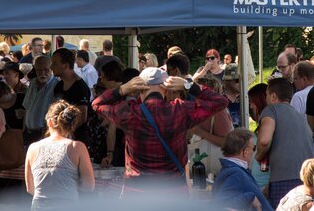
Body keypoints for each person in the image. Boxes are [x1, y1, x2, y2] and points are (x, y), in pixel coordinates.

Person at [92, 67, 228, 192]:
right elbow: (220, 102)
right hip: (173, 191)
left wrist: (122, 89)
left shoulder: (129, 112)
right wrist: (189, 85)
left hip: (137, 191)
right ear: (166, 89)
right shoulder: (180, 110)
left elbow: (97, 103)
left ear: (140, 89)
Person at [25, 100, 95, 209]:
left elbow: (30, 188)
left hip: (39, 205)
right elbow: (88, 186)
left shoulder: (32, 148)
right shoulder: (76, 147)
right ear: (72, 124)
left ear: (49, 122)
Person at [256, 78, 314, 209]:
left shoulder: (271, 110)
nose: (265, 99)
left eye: (266, 95)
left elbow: (264, 140)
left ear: (273, 96)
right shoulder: (299, 115)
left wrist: (258, 155)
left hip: (284, 179)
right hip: (307, 178)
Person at [213, 128, 273, 211]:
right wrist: (250, 197)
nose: (253, 152)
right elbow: (220, 204)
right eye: (254, 148)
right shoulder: (235, 173)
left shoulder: (232, 170)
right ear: (245, 152)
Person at [189, 76, 233, 176]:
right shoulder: (193, 109)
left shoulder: (219, 112)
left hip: (214, 171)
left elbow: (226, 142)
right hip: (203, 167)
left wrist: (199, 132)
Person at [52, 48, 91, 146]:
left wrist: (64, 134)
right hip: (60, 140)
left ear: (65, 65)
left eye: (55, 63)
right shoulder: (58, 86)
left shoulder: (80, 87)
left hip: (76, 142)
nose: (51, 67)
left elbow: (82, 117)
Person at [23, 55, 59, 145]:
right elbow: (26, 107)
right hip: (28, 134)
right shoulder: (32, 83)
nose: (42, 73)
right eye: (39, 70)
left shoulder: (57, 85)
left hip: (45, 135)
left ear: (51, 69)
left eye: (46, 70)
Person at [291, 61, 314, 157]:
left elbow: (294, 125)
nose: (293, 82)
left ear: (304, 79)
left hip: (307, 149)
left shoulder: (298, 96)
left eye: (295, 78)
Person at [222, 63, 241, 128]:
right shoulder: (220, 100)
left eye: (242, 79)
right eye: (237, 80)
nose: (241, 83)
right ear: (228, 81)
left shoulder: (245, 98)